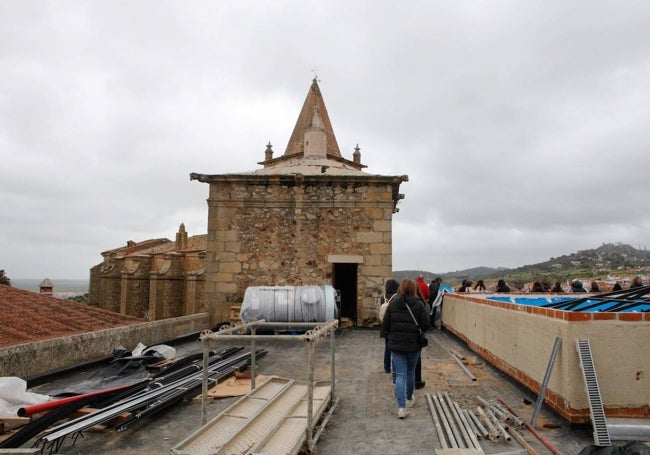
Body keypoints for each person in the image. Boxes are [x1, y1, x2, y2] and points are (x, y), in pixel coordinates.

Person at [380, 279, 430, 419]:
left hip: (396, 344)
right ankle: (409, 398)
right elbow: (426, 325)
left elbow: (386, 325)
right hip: (413, 344)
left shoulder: (393, 304)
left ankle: (402, 408)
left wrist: (389, 337)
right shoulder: (419, 305)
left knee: (400, 375)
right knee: (410, 372)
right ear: (413, 289)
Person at [379, 279, 399, 374]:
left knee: (387, 346)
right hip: (394, 324)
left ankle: (386, 367)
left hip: (385, 324)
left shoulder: (382, 297)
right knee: (395, 347)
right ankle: (394, 367)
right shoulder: (396, 297)